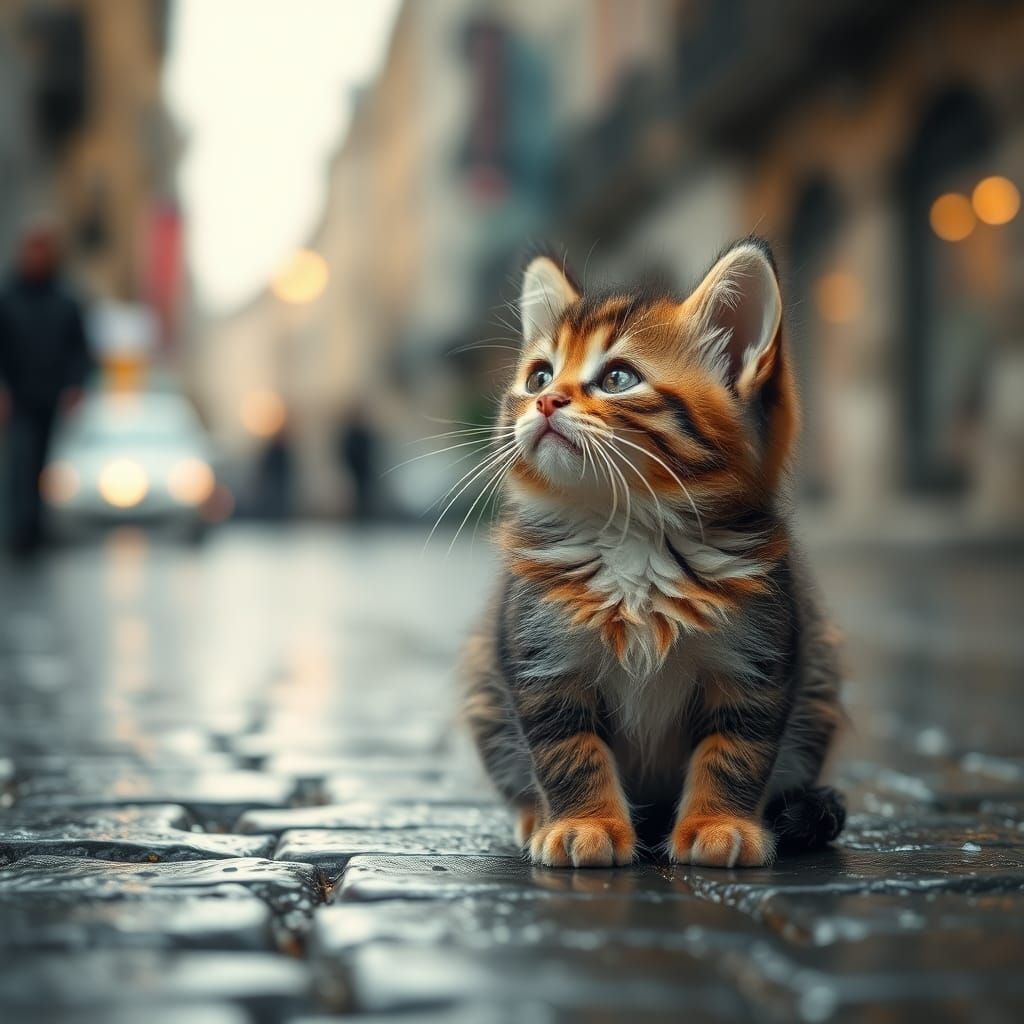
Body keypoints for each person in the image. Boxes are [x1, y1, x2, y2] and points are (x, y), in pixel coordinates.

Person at [0, 223, 92, 555]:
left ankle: (37, 529)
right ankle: (20, 532)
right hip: (19, 396)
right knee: (20, 461)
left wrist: (76, 386)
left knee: (43, 464)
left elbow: (80, 349)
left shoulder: (65, 300)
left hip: (50, 395)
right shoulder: (8, 297)